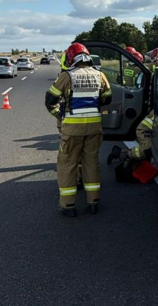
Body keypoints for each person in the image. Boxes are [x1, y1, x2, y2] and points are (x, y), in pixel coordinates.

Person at [46, 43, 112, 216]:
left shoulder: (67, 76)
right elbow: (107, 98)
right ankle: (93, 202)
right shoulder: (100, 75)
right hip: (94, 128)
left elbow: (50, 100)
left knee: (68, 164)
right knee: (91, 163)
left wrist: (60, 115)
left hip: (72, 130)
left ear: (70, 58)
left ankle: (68, 206)